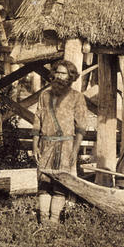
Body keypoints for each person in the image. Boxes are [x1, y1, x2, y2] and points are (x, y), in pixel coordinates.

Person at [32, 59, 88, 225]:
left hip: (66, 146)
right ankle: (43, 220)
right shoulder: (44, 95)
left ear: (70, 77)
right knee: (44, 183)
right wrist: (35, 145)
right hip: (45, 145)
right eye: (57, 72)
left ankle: (54, 221)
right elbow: (37, 121)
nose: (59, 76)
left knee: (60, 185)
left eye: (63, 73)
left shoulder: (77, 98)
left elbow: (81, 128)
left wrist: (75, 151)